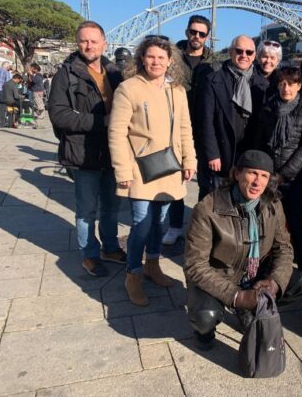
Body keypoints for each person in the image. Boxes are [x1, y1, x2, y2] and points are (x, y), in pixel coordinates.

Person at [184, 150, 302, 350]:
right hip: (220, 276)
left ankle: (248, 310)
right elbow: (195, 265)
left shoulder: (272, 204)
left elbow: (284, 249)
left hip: (255, 275)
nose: (257, 182)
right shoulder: (208, 209)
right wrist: (237, 295)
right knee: (205, 316)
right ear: (237, 174)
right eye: (252, 173)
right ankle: (206, 330)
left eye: (264, 176)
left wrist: (275, 282)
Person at [109, 36, 196, 306]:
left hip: (169, 167)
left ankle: (153, 265)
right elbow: (116, 131)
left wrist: (190, 159)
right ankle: (133, 274)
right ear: (142, 58)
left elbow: (185, 128)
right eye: (151, 56)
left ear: (170, 60)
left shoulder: (177, 90)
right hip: (140, 168)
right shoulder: (128, 88)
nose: (156, 61)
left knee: (161, 223)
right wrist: (122, 169)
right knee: (142, 224)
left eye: (161, 57)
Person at [48, 20, 126, 277]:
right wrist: (99, 122)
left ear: (105, 43)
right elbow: (58, 115)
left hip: (112, 153)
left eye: (94, 40)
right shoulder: (67, 74)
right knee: (86, 210)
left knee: (112, 207)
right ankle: (90, 255)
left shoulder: (115, 73)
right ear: (77, 43)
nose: (89, 45)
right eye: (84, 40)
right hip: (83, 154)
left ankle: (111, 247)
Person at [162, 15, 219, 247]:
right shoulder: (171, 57)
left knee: (206, 181)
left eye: (202, 34)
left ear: (207, 36)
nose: (196, 37)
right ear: (187, 32)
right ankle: (175, 226)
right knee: (176, 179)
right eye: (193, 32)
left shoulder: (214, 63)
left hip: (204, 128)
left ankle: (201, 228)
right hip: (175, 127)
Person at [253, 66, 302, 271]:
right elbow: (261, 141)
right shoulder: (269, 107)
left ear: (299, 85)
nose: (286, 88)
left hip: (293, 178)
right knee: (266, 220)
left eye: (291, 84)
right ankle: (266, 264)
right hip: (269, 175)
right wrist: (264, 172)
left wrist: (284, 175)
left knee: (295, 222)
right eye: (282, 83)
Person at [196, 35, 267, 200]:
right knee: (214, 200)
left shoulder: (261, 84)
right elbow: (205, 121)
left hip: (248, 152)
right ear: (230, 52)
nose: (244, 55)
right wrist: (212, 154)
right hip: (222, 152)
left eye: (249, 52)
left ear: (254, 56)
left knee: (242, 200)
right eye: (239, 51)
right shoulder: (213, 80)